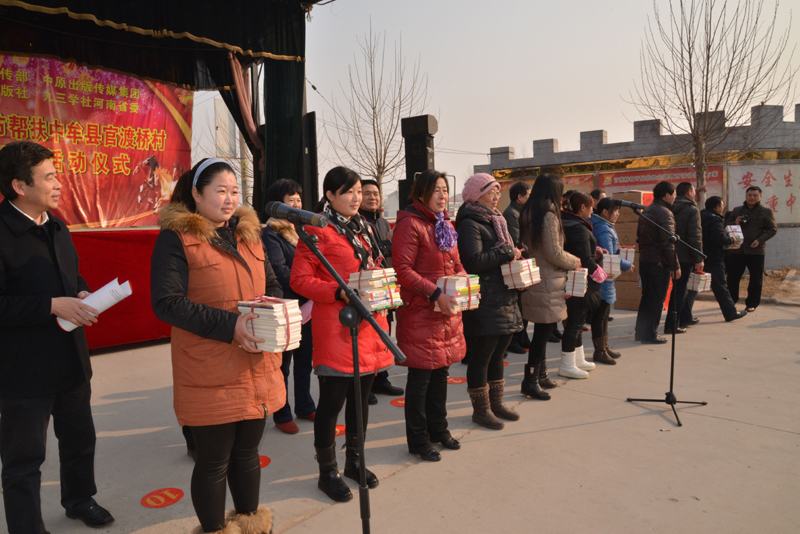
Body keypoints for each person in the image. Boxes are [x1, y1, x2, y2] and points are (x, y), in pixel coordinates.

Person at [151, 158, 284, 534]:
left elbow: (272, 282)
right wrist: (231, 325)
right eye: (220, 191)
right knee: (214, 461)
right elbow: (167, 302)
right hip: (209, 367)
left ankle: (252, 524)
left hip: (256, 361)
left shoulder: (249, 234)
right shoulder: (176, 238)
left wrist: (272, 310)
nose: (230, 199)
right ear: (196, 194)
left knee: (247, 453)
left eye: (235, 191)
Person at [0, 141, 114, 533]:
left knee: (79, 440)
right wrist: (51, 306)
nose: (58, 184)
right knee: (23, 461)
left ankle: (80, 500)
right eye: (48, 177)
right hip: (23, 369)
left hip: (70, 358)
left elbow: (70, 274)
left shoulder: (57, 225)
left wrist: (81, 293)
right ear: (20, 186)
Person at [290, 167, 393, 503]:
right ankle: (327, 471)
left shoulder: (364, 228)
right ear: (330, 195)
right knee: (332, 404)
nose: (356, 197)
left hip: (368, 324)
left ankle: (355, 461)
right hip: (337, 327)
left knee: (360, 402)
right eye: (349, 191)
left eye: (359, 191)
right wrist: (338, 292)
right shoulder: (316, 229)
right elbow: (299, 280)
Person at [393, 170, 465, 461]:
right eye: (436, 190)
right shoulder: (409, 224)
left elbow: (456, 263)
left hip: (446, 310)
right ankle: (418, 440)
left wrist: (464, 282)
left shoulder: (444, 224)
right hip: (421, 311)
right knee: (421, 378)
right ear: (421, 193)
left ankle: (439, 430)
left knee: (441, 374)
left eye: (445, 189)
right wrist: (435, 293)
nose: (442, 195)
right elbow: (403, 270)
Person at [456, 173, 523, 430]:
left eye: (497, 192)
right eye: (491, 192)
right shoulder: (469, 222)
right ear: (477, 195)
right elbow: (473, 261)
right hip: (485, 298)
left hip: (504, 294)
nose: (496, 197)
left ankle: (497, 404)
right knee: (482, 356)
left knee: (498, 354)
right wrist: (506, 252)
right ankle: (481, 410)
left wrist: (515, 254)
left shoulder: (497, 220)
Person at [262, 179, 316, 434]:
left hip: (309, 305)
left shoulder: (304, 231)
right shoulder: (271, 233)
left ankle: (305, 405)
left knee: (305, 361)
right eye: (290, 200)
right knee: (283, 365)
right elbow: (280, 271)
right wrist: (310, 287)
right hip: (287, 306)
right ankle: (281, 413)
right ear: (277, 205)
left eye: (298, 199)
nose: (296, 204)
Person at [519, 175, 581, 397]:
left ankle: (541, 375)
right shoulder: (548, 215)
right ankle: (531, 380)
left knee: (541, 330)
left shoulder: (529, 212)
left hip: (536, 277)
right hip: (548, 279)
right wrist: (574, 261)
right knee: (543, 332)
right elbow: (554, 252)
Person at [359, 179, 404, 403]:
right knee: (367, 337)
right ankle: (365, 383)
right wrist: (388, 245)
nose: (372, 197)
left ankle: (381, 378)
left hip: (386, 286)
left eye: (376, 194)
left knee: (384, 334)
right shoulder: (357, 223)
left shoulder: (384, 222)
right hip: (368, 288)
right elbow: (371, 252)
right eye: (367, 193)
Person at [561, 192, 608, 376]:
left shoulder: (568, 223)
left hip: (573, 280)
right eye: (590, 206)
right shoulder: (578, 228)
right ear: (582, 207)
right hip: (579, 282)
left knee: (577, 322)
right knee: (574, 324)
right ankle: (567, 364)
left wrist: (594, 250)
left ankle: (578, 359)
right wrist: (598, 272)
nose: (592, 210)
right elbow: (584, 258)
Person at [634, 181, 680, 344]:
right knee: (656, 299)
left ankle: (641, 332)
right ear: (667, 195)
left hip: (646, 260)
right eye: (674, 194)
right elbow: (668, 243)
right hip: (658, 262)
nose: (675, 197)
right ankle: (649, 334)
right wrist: (675, 266)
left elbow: (639, 236)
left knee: (647, 298)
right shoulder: (665, 213)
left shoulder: (647, 210)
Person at [590, 198, 634, 363]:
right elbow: (608, 256)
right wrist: (626, 264)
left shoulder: (605, 226)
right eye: (615, 211)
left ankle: (605, 347)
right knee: (600, 315)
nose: (617, 214)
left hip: (605, 277)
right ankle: (600, 351)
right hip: (603, 278)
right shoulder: (603, 229)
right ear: (604, 212)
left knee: (604, 314)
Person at [725, 186, 777, 312]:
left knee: (755, 278)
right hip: (737, 249)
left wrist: (760, 240)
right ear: (746, 196)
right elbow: (725, 224)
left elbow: (772, 229)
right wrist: (735, 223)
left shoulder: (766, 211)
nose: (752, 197)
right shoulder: (737, 210)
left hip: (756, 250)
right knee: (732, 278)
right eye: (749, 195)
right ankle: (730, 302)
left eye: (755, 195)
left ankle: (752, 304)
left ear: (760, 197)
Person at [664, 182, 704, 334]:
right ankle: (672, 325)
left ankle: (686, 317)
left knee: (680, 289)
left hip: (667, 253)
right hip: (685, 256)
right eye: (694, 191)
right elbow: (695, 235)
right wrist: (698, 258)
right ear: (689, 192)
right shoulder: (691, 209)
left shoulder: (668, 207)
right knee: (679, 291)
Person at [701, 197, 747, 322]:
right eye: (722, 205)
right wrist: (732, 240)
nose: (723, 208)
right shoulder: (715, 219)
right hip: (714, 257)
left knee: (691, 287)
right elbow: (720, 238)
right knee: (721, 286)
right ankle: (730, 312)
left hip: (701, 255)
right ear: (717, 208)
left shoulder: (700, 216)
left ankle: (684, 316)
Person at [503, 180, 532, 354]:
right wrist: (532, 252)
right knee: (517, 304)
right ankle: (514, 340)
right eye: (529, 195)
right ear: (519, 197)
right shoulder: (511, 214)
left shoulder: (522, 212)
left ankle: (522, 337)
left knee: (523, 303)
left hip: (525, 261)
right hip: (518, 262)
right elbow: (517, 241)